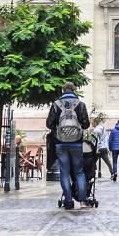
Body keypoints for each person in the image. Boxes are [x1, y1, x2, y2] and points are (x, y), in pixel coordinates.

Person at [45, 81, 90, 210]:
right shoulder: (80, 104)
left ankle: (68, 202)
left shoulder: (56, 104)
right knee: (79, 172)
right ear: (74, 90)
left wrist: (57, 129)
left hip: (60, 143)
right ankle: (82, 201)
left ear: (63, 90)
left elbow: (49, 124)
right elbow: (86, 124)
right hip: (76, 143)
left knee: (64, 172)